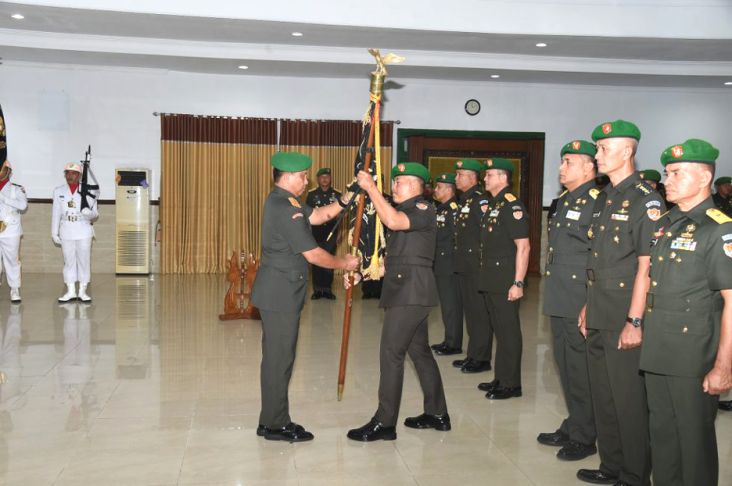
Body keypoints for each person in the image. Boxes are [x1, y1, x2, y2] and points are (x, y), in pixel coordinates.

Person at [640, 139, 732, 486]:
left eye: (677, 172)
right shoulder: (666, 223)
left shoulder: (719, 228)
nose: (667, 180)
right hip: (659, 347)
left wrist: (724, 365)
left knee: (693, 441)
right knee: (663, 435)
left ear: (704, 177)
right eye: (666, 172)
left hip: (693, 353)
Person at [577, 120, 663, 486]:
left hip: (624, 311)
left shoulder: (647, 199)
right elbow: (600, 259)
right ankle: (611, 466)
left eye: (604, 149)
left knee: (628, 400)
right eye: (598, 149)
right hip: (599, 306)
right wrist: (586, 304)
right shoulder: (606, 196)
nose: (597, 155)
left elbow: (647, 265)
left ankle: (634, 475)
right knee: (604, 395)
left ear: (627, 151)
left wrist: (635, 320)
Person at [250, 151, 358, 442]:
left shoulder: (289, 201)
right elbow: (313, 254)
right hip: (280, 294)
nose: (307, 180)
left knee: (277, 358)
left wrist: (348, 196)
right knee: (279, 360)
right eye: (303, 176)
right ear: (288, 177)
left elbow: (321, 215)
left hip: (281, 291)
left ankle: (269, 419)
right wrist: (344, 264)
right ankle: (275, 424)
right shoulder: (285, 207)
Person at [347, 162, 449, 441]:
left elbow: (392, 222)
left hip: (412, 292)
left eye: (401, 181)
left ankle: (385, 422)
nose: (395, 185)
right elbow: (395, 259)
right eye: (394, 181)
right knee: (419, 352)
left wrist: (371, 188)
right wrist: (363, 276)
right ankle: (437, 413)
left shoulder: (423, 209)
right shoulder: (403, 209)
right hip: (407, 290)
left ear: (418, 185)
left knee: (391, 353)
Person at [537, 140, 598, 460]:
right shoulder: (564, 199)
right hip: (560, 294)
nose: (561, 168)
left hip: (578, 297)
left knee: (580, 369)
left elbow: (598, 257)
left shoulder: (596, 202)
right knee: (564, 364)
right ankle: (575, 422)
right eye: (562, 162)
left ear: (589, 167)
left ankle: (586, 434)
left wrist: (591, 300)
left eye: (569, 162)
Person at [475, 158, 530, 400]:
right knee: (499, 329)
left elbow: (524, 247)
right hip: (491, 277)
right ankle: (500, 377)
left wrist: (518, 282)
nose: (485, 179)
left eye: (489, 175)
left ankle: (511, 384)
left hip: (506, 279)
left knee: (508, 332)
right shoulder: (496, 205)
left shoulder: (512, 205)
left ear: (502, 178)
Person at [452, 159, 492, 373]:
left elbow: (487, 235)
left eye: (461, 175)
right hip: (465, 265)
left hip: (476, 265)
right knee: (470, 312)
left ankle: (482, 358)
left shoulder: (480, 201)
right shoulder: (465, 201)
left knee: (479, 313)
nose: (456, 178)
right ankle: (473, 353)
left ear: (473, 177)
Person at [52, 163, 98, 303]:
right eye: (67, 173)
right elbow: (56, 213)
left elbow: (95, 214)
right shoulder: (58, 191)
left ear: (79, 176)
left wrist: (87, 214)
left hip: (83, 230)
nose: (69, 176)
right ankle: (71, 291)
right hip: (66, 230)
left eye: (73, 173)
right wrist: (54, 232)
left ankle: (83, 291)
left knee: (84, 261)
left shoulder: (88, 191)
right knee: (69, 261)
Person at [430, 173, 464, 356]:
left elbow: (457, 238)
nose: (436, 190)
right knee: (446, 305)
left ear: (450, 189)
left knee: (452, 305)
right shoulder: (441, 209)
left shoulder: (453, 209)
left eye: (439, 187)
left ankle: (454, 344)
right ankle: (449, 339)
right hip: (441, 263)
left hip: (450, 264)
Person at [306, 167, 342, 300]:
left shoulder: (338, 194)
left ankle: (327, 289)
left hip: (332, 232)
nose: (325, 179)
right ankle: (317, 290)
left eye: (327, 176)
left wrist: (340, 233)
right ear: (318, 179)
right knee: (316, 260)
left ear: (331, 178)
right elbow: (307, 216)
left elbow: (342, 216)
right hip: (316, 232)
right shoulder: (311, 194)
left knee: (329, 259)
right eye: (322, 177)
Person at [0, 160, 27, 302]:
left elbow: (23, 205)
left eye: (3, 169)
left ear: (9, 172)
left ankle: (15, 289)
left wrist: (4, 198)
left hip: (10, 230)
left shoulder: (16, 189)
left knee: (12, 260)